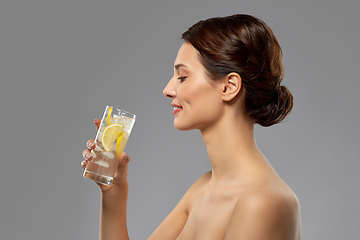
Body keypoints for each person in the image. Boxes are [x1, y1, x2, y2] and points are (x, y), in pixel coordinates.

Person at [81, 14, 301, 240]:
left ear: (229, 87)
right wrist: (114, 190)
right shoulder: (203, 189)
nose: (168, 89)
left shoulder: (263, 202)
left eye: (182, 77)